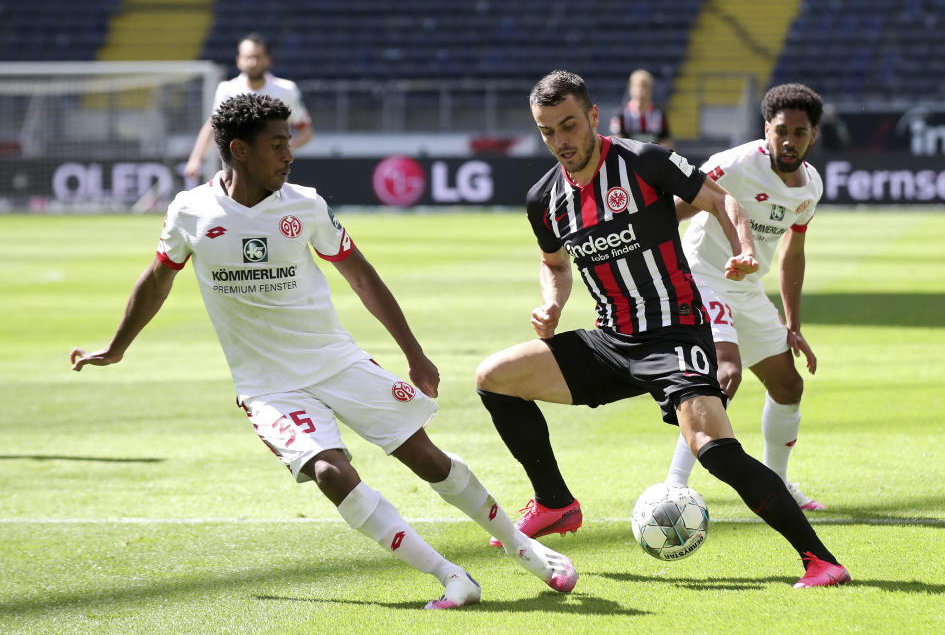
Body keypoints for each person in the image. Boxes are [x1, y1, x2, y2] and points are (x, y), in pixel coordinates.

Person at [70, 94, 577, 610]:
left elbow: (361, 275)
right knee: (331, 473)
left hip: (336, 362)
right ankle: (451, 576)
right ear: (240, 150)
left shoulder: (305, 204)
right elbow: (157, 279)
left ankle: (522, 546)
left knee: (425, 457)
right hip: (268, 385)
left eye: (289, 141)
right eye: (277, 144)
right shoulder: (190, 211)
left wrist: (414, 353)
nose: (289, 153)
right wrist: (116, 347)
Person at [475, 70, 849, 588]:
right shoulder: (544, 197)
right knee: (494, 377)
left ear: (592, 116)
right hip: (610, 340)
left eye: (568, 125)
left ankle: (820, 559)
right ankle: (555, 502)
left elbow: (720, 199)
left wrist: (743, 248)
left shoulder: (643, 160)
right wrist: (551, 304)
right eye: (547, 131)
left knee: (715, 450)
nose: (561, 141)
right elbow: (555, 264)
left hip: (674, 333)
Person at [663, 83, 828, 511]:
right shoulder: (734, 164)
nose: (789, 141)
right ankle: (674, 487)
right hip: (701, 276)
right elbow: (675, 208)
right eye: (781, 131)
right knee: (725, 372)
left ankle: (778, 483)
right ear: (766, 130)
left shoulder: (810, 187)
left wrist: (792, 323)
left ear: (814, 135)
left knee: (788, 384)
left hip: (747, 286)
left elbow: (794, 252)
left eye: (800, 132)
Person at [183, 33, 313, 180]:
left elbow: (305, 130)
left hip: (273, 178)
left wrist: (286, 148)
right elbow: (213, 127)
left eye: (257, 57)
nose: (253, 62)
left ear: (268, 60)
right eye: (248, 57)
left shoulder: (286, 90)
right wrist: (195, 159)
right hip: (236, 177)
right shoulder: (227, 90)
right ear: (239, 60)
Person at [609, 69, 674, 149]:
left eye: (646, 86)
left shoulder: (659, 114)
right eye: (638, 85)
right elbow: (617, 142)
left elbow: (666, 142)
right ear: (631, 88)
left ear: (651, 89)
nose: (642, 90)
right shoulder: (621, 114)